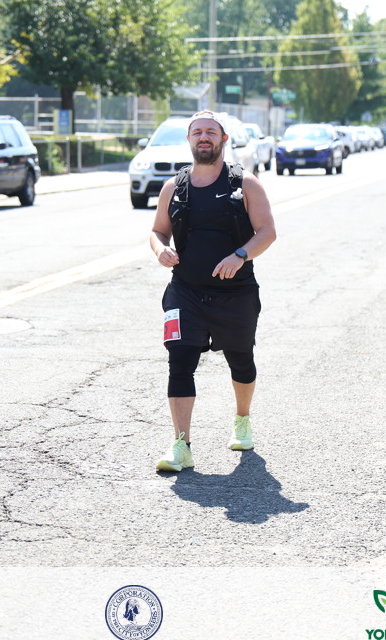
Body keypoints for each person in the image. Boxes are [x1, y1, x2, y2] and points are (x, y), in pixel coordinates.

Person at [149, 110, 277, 473]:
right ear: (189, 140)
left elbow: (267, 231)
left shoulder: (245, 184)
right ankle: (181, 445)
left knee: (241, 359)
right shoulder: (174, 187)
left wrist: (240, 255)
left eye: (210, 131)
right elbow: (158, 231)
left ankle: (242, 419)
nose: (203, 137)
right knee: (179, 361)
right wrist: (161, 250)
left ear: (223, 139)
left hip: (235, 293)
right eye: (197, 132)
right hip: (185, 291)